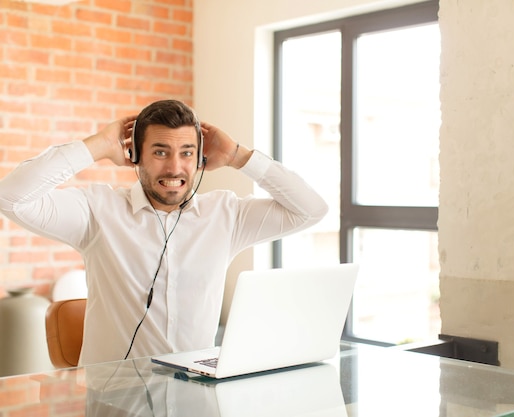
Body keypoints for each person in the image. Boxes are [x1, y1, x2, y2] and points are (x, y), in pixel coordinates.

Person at [0, 99, 328, 365]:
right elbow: (10, 197)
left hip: (195, 397)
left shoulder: (227, 215)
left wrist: (238, 156)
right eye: (160, 152)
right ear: (134, 156)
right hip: (115, 402)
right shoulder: (97, 211)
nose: (174, 167)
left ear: (200, 159)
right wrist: (97, 145)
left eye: (186, 152)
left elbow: (311, 209)